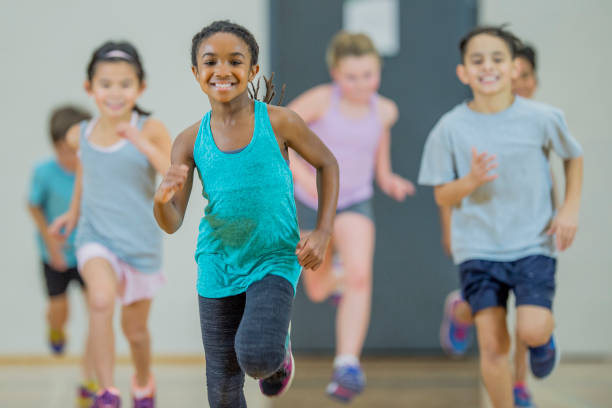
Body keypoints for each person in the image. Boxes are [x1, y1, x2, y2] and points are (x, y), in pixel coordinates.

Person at [153, 20, 339, 408]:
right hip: (218, 263)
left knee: (256, 355)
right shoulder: (188, 141)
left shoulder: (279, 121)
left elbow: (327, 164)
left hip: (273, 256)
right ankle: (268, 352)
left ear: (253, 70)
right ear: (196, 73)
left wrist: (322, 232)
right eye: (210, 62)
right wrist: (160, 201)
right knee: (222, 391)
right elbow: (173, 222)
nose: (222, 70)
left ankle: (278, 354)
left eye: (235, 61)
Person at [418, 26, 583, 408]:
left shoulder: (543, 118)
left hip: (532, 243)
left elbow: (573, 156)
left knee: (532, 328)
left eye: (497, 59)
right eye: (477, 60)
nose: (487, 67)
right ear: (463, 72)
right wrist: (471, 180)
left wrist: (569, 209)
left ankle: (544, 339)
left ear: (514, 69)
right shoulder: (450, 128)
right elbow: (442, 192)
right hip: (478, 248)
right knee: (494, 345)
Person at [287, 31, 415, 403]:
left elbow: (377, 150)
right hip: (311, 201)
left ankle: (347, 364)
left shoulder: (385, 110)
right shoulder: (321, 100)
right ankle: (334, 278)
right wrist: (305, 178)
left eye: (369, 75)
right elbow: (277, 135)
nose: (361, 84)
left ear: (379, 71)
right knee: (316, 286)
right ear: (335, 73)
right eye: (352, 76)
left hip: (355, 200)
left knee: (361, 275)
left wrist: (388, 178)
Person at [50, 41, 171, 408]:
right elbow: (86, 173)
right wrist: (73, 213)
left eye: (125, 84)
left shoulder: (151, 128)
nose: (115, 93)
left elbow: (173, 175)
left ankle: (143, 380)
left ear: (140, 88)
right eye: (105, 84)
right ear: (90, 89)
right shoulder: (79, 134)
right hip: (95, 236)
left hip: (140, 244)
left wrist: (140, 143)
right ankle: (106, 390)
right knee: (100, 300)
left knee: (135, 333)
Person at [438, 42, 547, 408]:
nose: (517, 82)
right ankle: (461, 309)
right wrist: (448, 227)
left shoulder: (537, 123)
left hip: (528, 238)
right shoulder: (469, 125)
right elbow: (448, 184)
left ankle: (517, 382)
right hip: (483, 240)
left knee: (528, 314)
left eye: (524, 75)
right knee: (492, 317)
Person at [27, 105, 98, 407]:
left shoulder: (92, 171)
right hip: (53, 255)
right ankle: (55, 328)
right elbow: (34, 206)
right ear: (55, 146)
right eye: (66, 150)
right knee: (60, 311)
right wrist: (51, 244)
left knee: (97, 315)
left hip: (86, 253)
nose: (73, 157)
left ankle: (89, 380)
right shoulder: (44, 172)